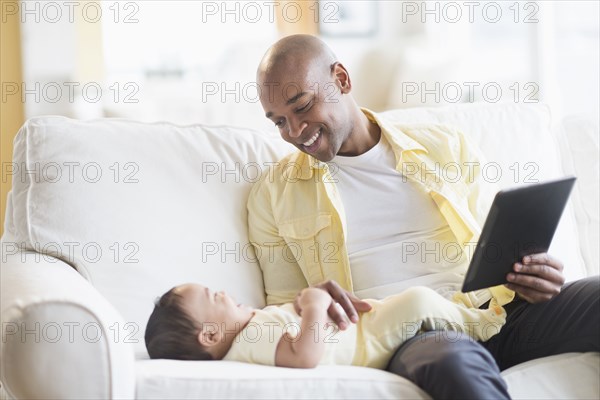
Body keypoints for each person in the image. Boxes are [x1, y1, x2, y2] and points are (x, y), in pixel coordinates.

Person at [248, 34, 599, 398]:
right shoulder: (274, 195)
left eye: (302, 106)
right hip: (413, 333)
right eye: (278, 122)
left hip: (494, 313)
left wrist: (530, 272)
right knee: (452, 363)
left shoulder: (442, 144)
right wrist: (312, 305)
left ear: (341, 79)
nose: (294, 132)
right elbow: (282, 318)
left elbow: (494, 242)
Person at [145, 283, 507, 368]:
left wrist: (308, 303)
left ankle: (466, 310)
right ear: (209, 335)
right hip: (366, 345)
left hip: (360, 330)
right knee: (418, 301)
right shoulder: (250, 339)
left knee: (418, 303)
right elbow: (305, 356)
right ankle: (485, 323)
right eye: (213, 297)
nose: (222, 292)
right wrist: (314, 304)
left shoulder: (251, 330)